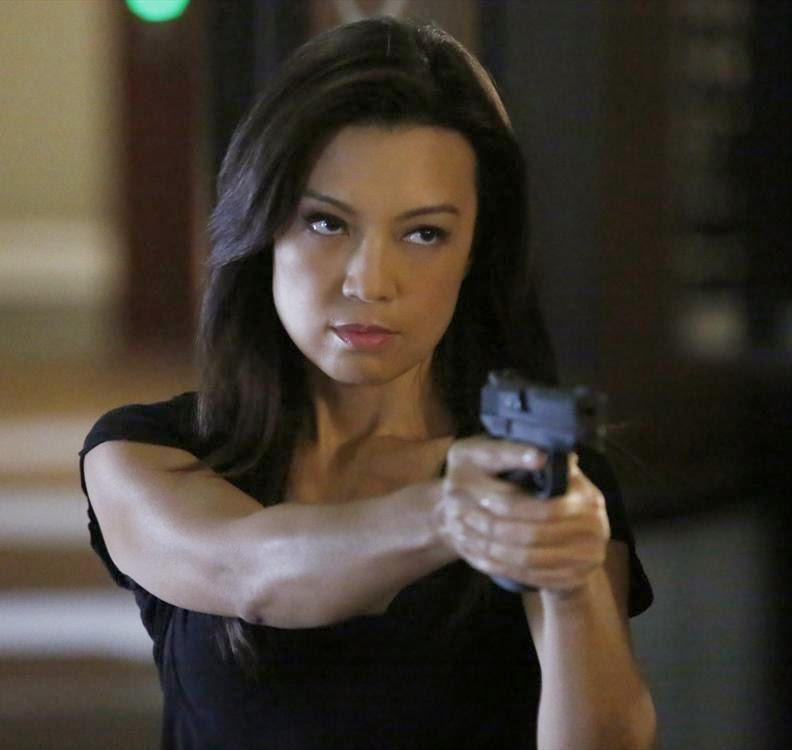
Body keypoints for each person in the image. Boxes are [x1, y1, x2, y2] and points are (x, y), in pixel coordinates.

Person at [79, 15, 656, 750]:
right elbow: (253, 574)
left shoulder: (536, 478)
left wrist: (568, 583)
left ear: (475, 253)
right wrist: (451, 518)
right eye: (327, 223)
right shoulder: (146, 452)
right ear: (264, 229)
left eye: (424, 233)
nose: (371, 281)